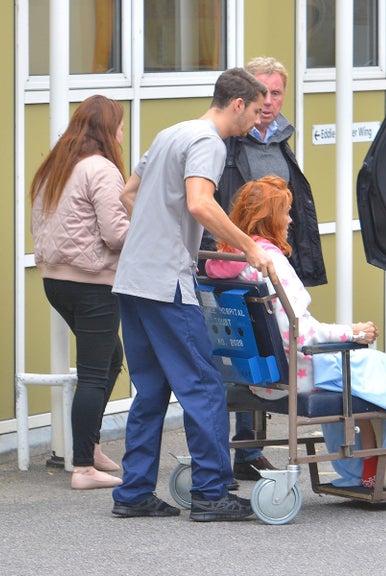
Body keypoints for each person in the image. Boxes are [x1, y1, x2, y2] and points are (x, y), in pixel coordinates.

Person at [110, 68, 273, 521]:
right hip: (166, 283)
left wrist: (157, 229)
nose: (259, 120)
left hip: (133, 278)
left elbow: (129, 192)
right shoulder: (209, 142)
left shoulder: (170, 133)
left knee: (151, 391)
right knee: (204, 386)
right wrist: (247, 246)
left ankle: (135, 493)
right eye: (257, 110)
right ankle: (210, 492)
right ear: (237, 104)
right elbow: (200, 202)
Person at [205, 176, 386, 492]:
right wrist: (352, 332)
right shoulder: (270, 262)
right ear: (270, 220)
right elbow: (301, 334)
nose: (291, 220)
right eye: (286, 212)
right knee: (376, 367)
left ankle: (364, 468)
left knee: (362, 378)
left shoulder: (225, 261)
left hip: (256, 379)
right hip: (296, 373)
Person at [202, 56, 328, 481]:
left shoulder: (280, 140)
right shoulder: (224, 140)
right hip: (233, 263)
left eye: (277, 93)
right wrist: (218, 257)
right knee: (237, 359)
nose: (270, 102)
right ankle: (227, 453)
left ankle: (249, 452)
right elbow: (209, 204)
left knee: (271, 355)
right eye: (264, 94)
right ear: (244, 97)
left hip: (273, 264)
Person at [30, 95, 129, 490]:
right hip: (93, 284)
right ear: (106, 130)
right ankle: (84, 467)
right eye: (119, 126)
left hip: (56, 282)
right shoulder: (101, 169)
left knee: (109, 359)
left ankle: (89, 445)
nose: (122, 134)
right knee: (93, 372)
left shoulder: (55, 166)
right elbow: (116, 234)